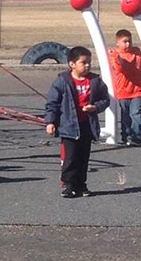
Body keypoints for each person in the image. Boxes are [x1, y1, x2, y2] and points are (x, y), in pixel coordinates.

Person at [45, 47, 110, 199]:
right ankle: (68, 184)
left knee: (83, 157)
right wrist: (50, 122)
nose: (87, 66)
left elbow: (105, 99)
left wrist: (96, 107)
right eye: (83, 63)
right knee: (70, 157)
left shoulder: (95, 81)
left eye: (89, 62)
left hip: (86, 125)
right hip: (68, 126)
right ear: (72, 64)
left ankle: (81, 184)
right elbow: (52, 103)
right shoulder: (62, 81)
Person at [109, 29, 141, 146]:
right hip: (123, 90)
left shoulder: (136, 52)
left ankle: (137, 137)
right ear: (118, 42)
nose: (128, 44)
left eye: (129, 41)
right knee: (125, 115)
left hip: (138, 90)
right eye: (125, 42)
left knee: (136, 113)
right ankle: (126, 135)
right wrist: (115, 57)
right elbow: (120, 69)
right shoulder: (115, 55)